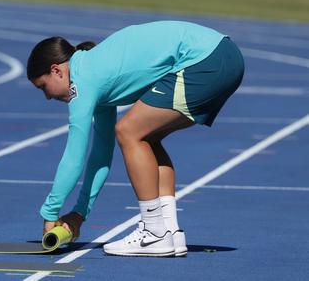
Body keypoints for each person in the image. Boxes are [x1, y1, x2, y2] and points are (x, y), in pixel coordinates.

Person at [27, 20, 244, 257]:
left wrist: (50, 213)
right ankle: (169, 231)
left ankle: (154, 233)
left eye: (43, 87)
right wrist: (79, 214)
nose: (47, 97)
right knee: (145, 138)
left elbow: (74, 157)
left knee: (128, 131)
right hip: (226, 55)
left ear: (57, 70)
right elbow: (100, 155)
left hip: (205, 60)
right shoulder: (95, 75)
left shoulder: (83, 81)